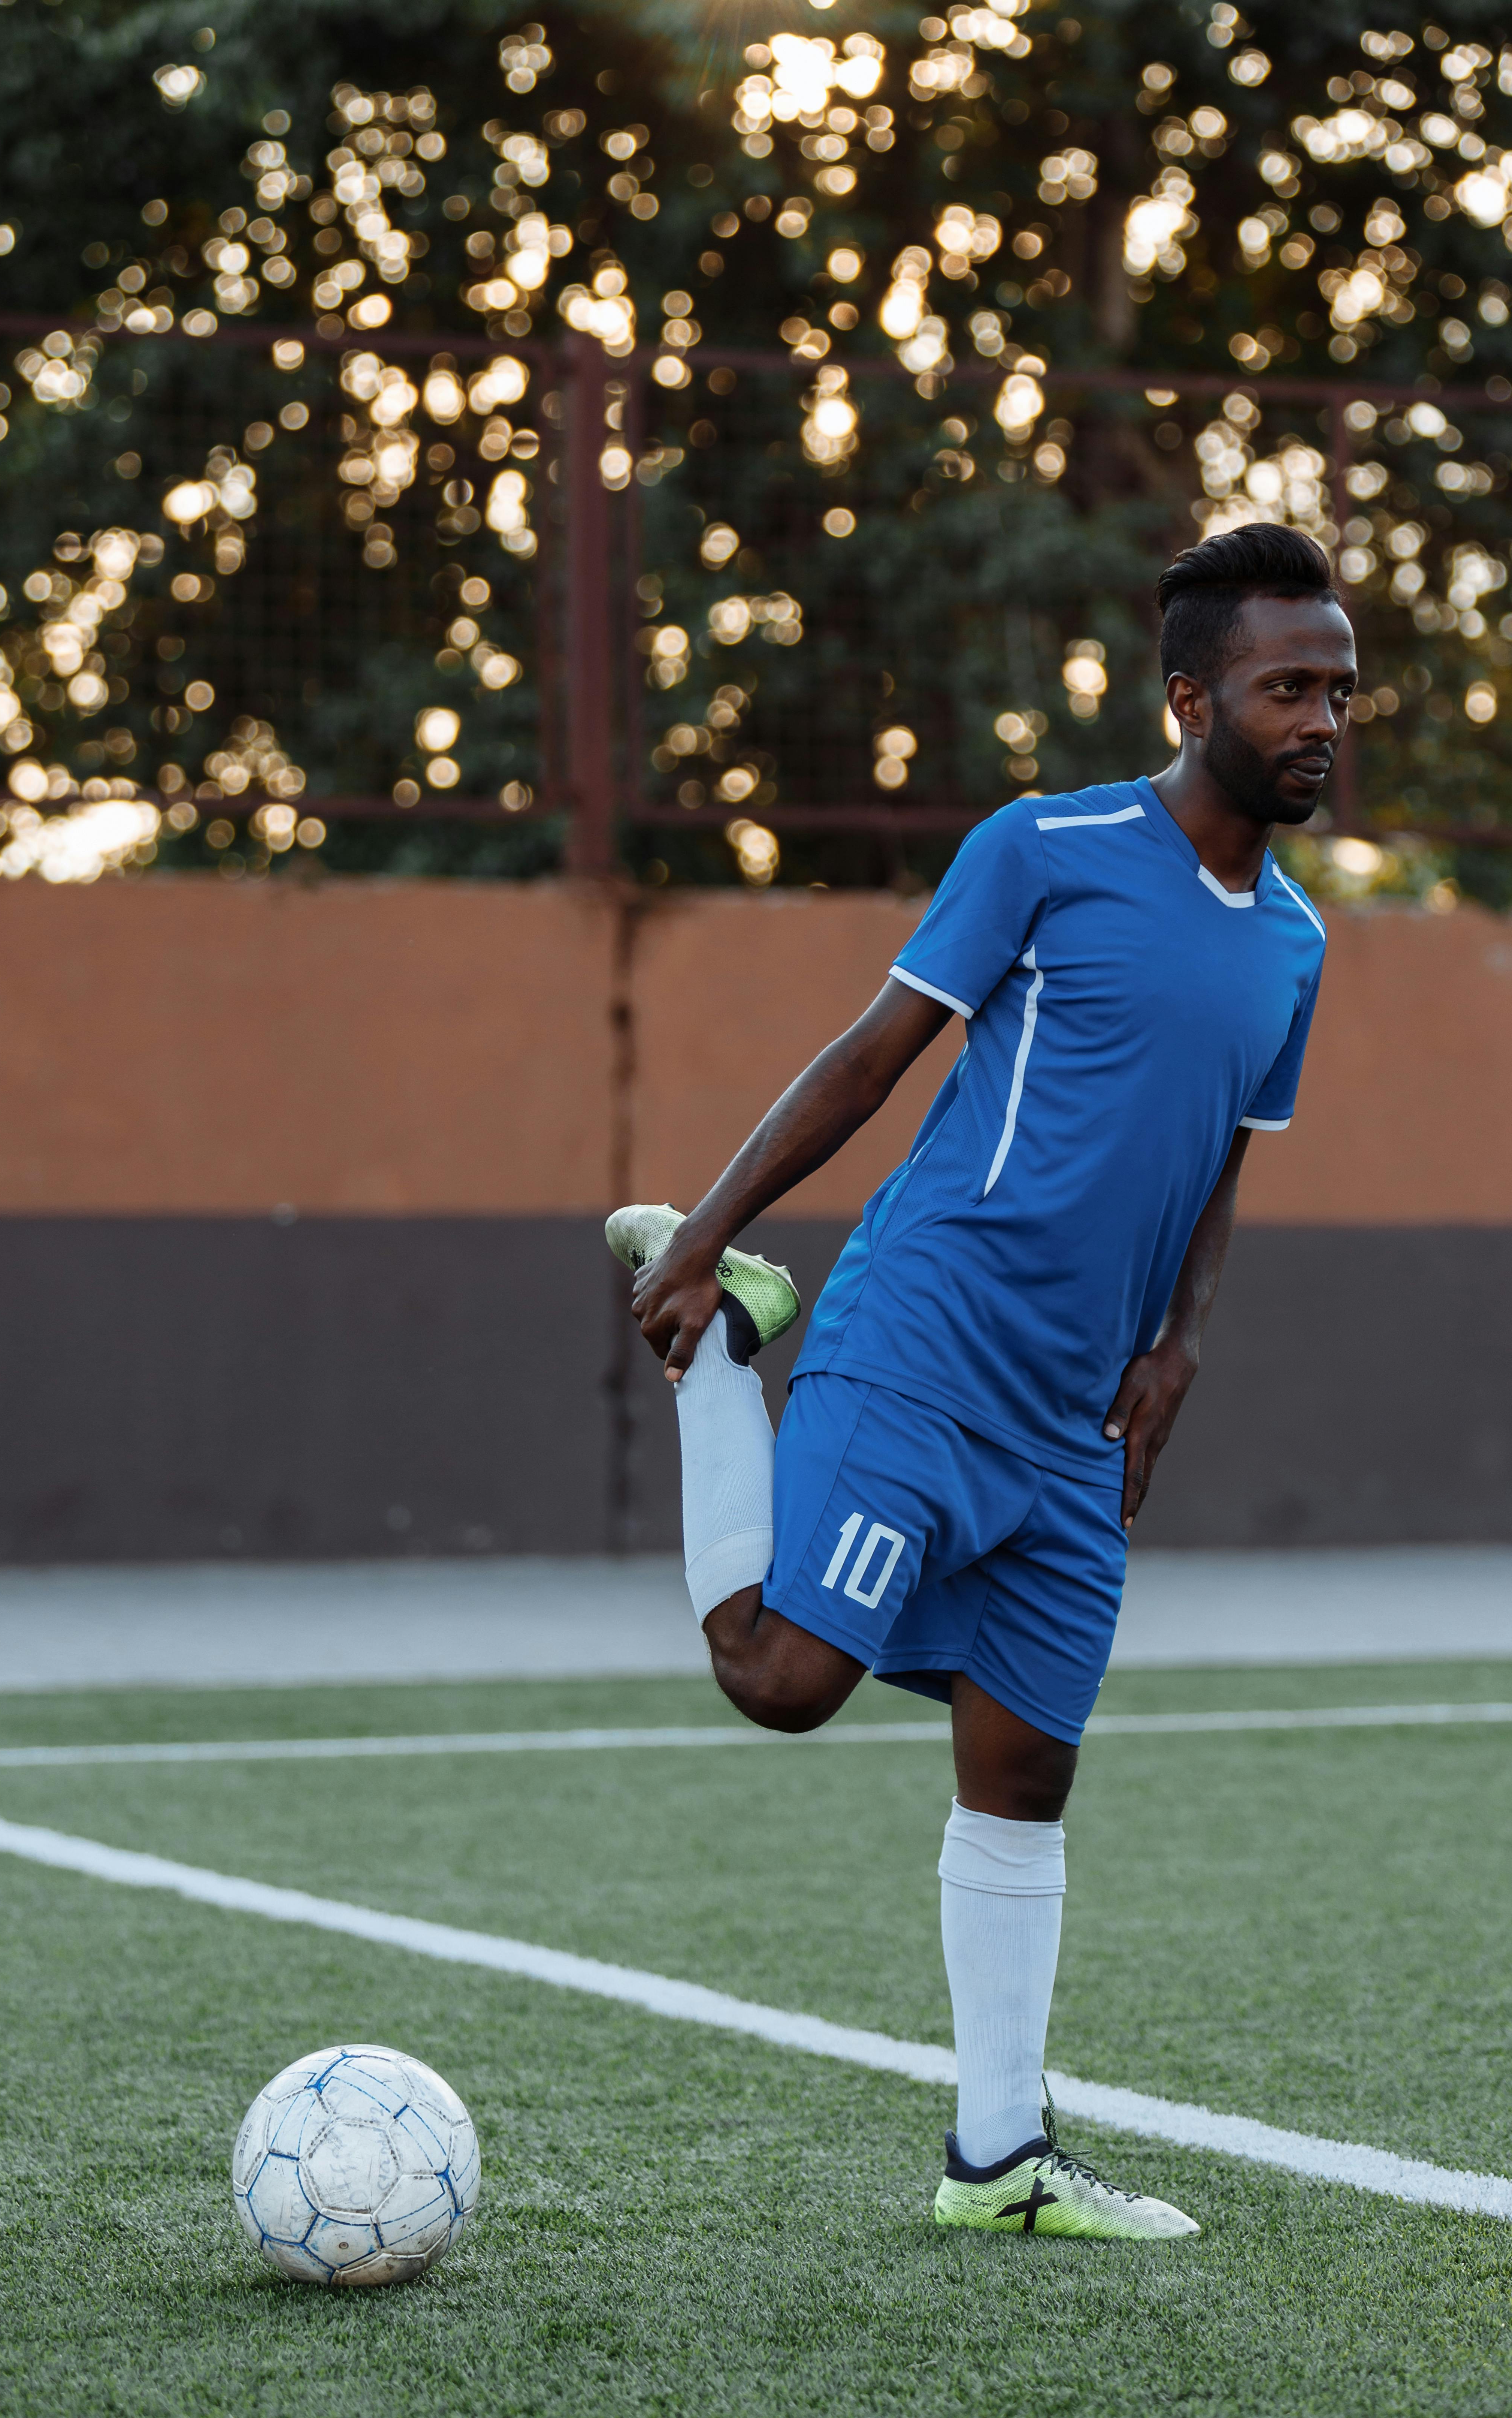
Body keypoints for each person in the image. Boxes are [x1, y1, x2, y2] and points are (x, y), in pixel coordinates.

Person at [608, 522, 1350, 2239]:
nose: (1319, 719)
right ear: (1188, 697)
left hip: (1070, 1422)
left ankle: (998, 2162)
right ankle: (725, 1358)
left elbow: (1228, 1164)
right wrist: (709, 1234)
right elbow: (873, 1055)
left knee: (1022, 1771)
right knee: (781, 1676)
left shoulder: (1296, 942)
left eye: (1336, 690)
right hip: (924, 1339)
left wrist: (1179, 1349)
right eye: (1284, 685)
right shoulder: (1048, 848)